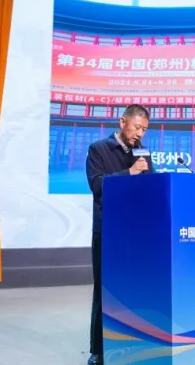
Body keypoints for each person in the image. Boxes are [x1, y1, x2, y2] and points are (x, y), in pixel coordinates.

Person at [85, 104, 153, 365]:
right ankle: (99, 350)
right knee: (104, 291)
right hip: (108, 230)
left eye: (144, 130)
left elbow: (152, 186)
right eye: (137, 127)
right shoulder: (98, 149)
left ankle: (135, 343)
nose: (140, 134)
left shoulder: (143, 152)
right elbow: (96, 184)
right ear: (123, 122)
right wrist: (129, 173)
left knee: (136, 289)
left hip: (137, 232)